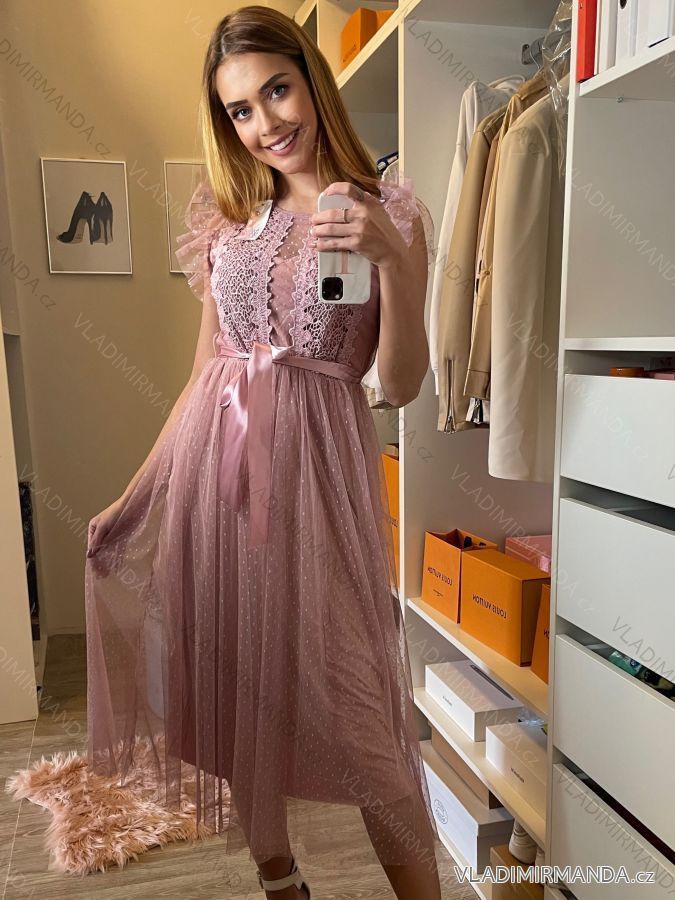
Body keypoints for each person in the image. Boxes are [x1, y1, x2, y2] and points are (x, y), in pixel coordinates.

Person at [85, 5, 441, 899]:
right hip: (218, 490)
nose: (264, 123)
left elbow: (400, 384)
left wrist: (395, 262)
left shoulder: (389, 211)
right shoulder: (226, 218)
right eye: (239, 109)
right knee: (239, 690)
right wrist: (136, 496)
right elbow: (202, 375)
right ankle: (279, 880)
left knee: (361, 716)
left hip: (321, 489)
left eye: (276, 90)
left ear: (311, 81)